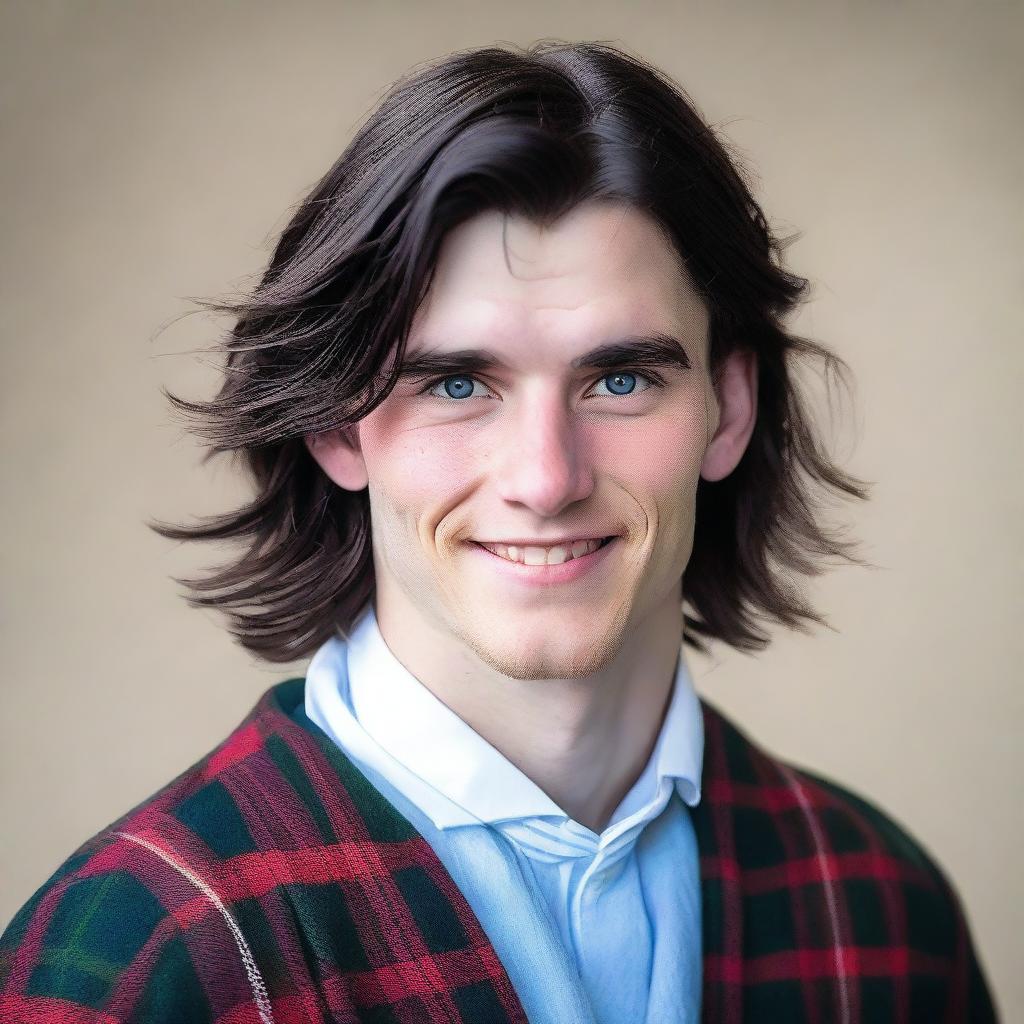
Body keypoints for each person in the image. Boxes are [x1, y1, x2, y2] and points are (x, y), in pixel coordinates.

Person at [0, 40, 998, 1024]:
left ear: (727, 408)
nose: (546, 478)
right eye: (457, 384)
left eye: (619, 379)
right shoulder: (145, 955)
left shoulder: (882, 905)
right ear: (336, 427)